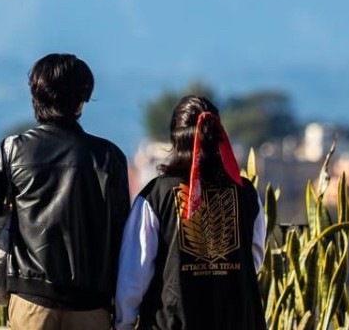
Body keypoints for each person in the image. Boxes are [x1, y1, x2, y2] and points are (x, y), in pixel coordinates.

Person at [0, 53, 130, 330]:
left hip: (31, 303)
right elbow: (123, 236)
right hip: (91, 304)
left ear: (35, 97)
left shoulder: (12, 150)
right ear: (81, 101)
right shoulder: (110, 157)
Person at [114, 95, 267, 329]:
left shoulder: (156, 196)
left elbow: (134, 276)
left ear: (175, 139)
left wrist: (123, 322)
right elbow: (254, 261)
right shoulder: (246, 194)